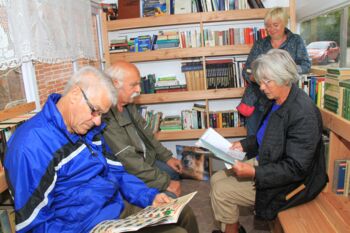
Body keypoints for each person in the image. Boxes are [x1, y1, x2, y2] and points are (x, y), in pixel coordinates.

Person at [4, 66, 198, 233]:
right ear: (74, 96)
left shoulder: (88, 127)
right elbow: (35, 225)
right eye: (95, 111)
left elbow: (118, 173)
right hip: (83, 226)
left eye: (101, 115)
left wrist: (149, 196)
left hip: (114, 208)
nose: (98, 121)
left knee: (183, 212)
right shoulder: (31, 146)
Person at [210, 49, 328, 233]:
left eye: (267, 81)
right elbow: (266, 137)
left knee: (221, 191)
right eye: (261, 81)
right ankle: (233, 227)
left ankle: (230, 229)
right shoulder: (278, 100)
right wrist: (245, 144)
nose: (262, 87)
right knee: (216, 178)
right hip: (269, 162)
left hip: (291, 184)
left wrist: (254, 172)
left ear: (285, 78)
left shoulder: (303, 114)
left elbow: (296, 168)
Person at [102, 61, 183, 198]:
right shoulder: (105, 116)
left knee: (175, 172)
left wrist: (167, 157)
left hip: (146, 160)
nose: (139, 90)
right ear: (115, 84)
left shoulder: (129, 104)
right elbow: (129, 161)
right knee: (170, 194)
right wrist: (165, 183)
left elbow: (148, 135)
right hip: (130, 172)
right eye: (133, 85)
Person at [237, 7, 311, 135]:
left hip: (284, 99)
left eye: (275, 25)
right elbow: (247, 71)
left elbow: (306, 65)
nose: (271, 29)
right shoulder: (260, 44)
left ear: (284, 22)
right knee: (254, 137)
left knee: (277, 137)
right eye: (268, 26)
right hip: (258, 99)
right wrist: (256, 78)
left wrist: (284, 71)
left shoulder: (296, 40)